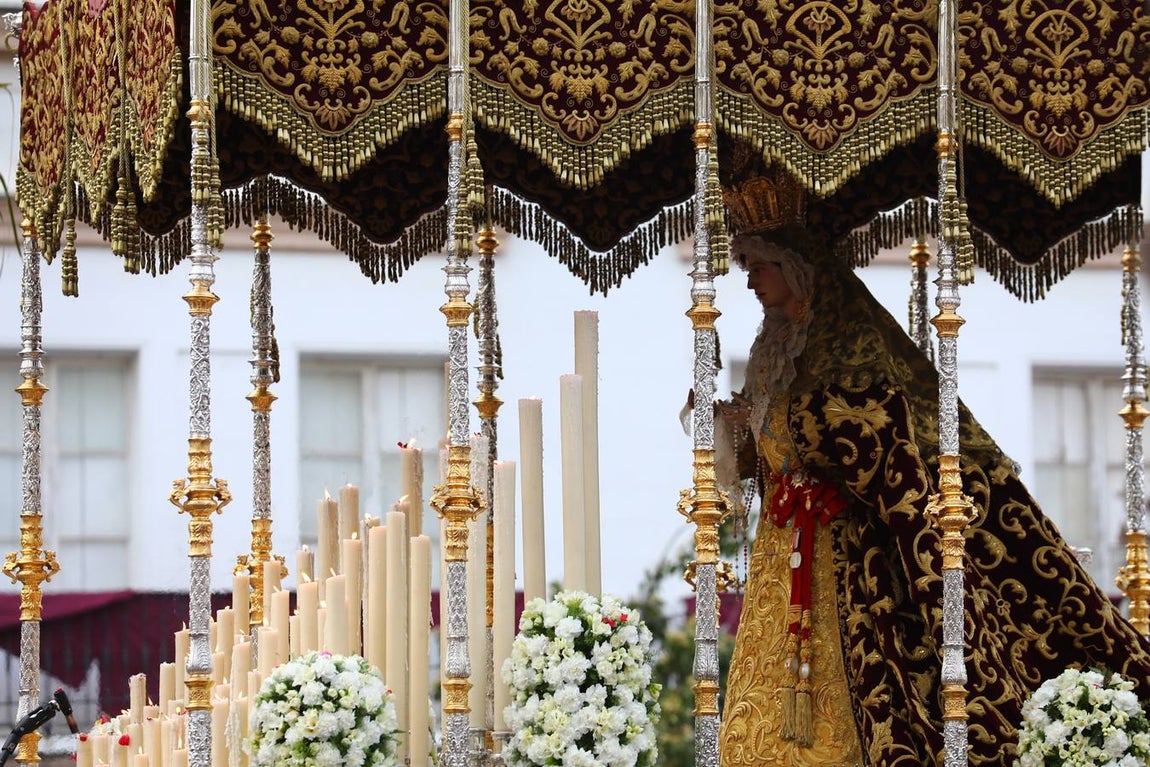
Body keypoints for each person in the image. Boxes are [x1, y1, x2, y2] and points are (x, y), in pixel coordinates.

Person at [714, 214, 1150, 766]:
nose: (750, 280)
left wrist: (822, 457)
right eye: (746, 266)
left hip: (843, 549)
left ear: (797, 269)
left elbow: (880, 444)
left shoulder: (847, 345)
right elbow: (767, 459)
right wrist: (731, 428)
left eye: (759, 265)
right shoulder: (769, 352)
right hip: (784, 546)